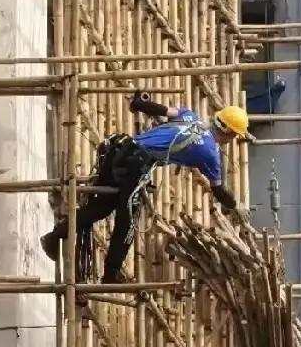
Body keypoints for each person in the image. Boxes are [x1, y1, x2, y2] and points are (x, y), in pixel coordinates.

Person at [40, 92, 254, 283]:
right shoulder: (209, 153)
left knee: (102, 207)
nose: (232, 140)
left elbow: (155, 108)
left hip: (119, 150)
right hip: (134, 164)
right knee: (128, 221)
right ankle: (111, 275)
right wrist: (236, 207)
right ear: (229, 133)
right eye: (234, 135)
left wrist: (139, 103)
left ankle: (55, 235)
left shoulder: (191, 117)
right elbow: (218, 190)